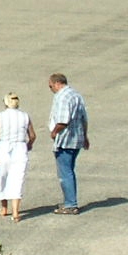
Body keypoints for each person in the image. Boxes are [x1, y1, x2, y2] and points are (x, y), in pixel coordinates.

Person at [0, 92, 36, 221]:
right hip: (20, 147)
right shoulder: (25, 116)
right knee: (17, 179)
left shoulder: (0, 116)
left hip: (4, 147)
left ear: (5, 103)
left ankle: (4, 208)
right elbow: (32, 135)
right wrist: (29, 145)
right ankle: (16, 212)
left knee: (3, 176)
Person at [47, 72, 89, 214]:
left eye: (51, 86)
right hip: (77, 138)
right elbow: (84, 118)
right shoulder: (76, 95)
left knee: (65, 173)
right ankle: (69, 201)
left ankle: (71, 204)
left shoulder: (63, 97)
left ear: (58, 83)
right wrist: (85, 136)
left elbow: (63, 120)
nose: (51, 89)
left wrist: (54, 132)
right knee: (69, 170)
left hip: (65, 140)